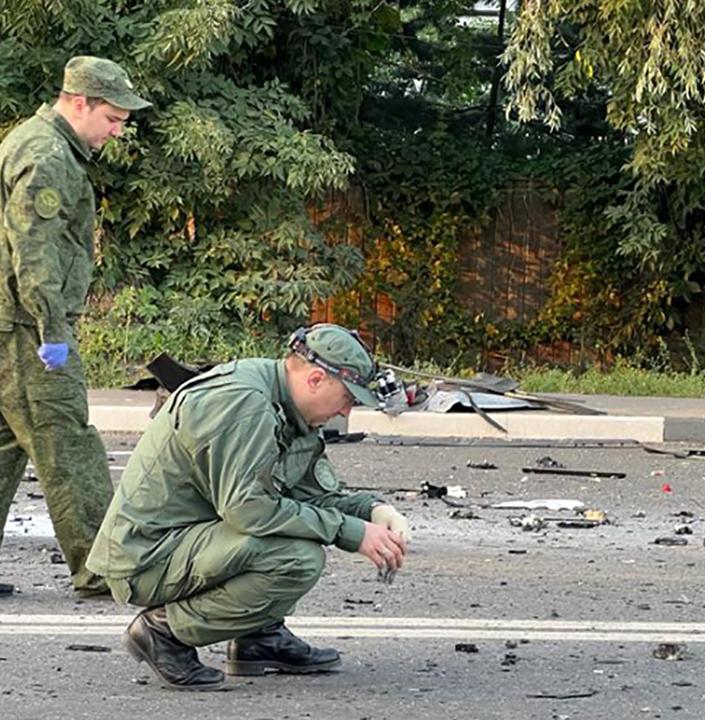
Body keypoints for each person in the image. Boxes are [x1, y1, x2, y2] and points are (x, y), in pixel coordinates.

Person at [86, 324, 413, 690]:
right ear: (316, 379)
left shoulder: (289, 407)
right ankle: (164, 632)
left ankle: (258, 637)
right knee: (295, 558)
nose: (346, 411)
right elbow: (249, 510)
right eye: (348, 397)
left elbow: (309, 495)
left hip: (190, 540)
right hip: (146, 557)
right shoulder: (245, 403)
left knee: (293, 535)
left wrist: (374, 511)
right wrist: (350, 533)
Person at [0, 56, 151, 597]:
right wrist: (52, 331)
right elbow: (34, 252)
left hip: (10, 322)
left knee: (6, 446)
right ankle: (102, 567)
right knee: (68, 442)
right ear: (80, 103)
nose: (116, 131)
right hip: (27, 328)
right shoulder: (47, 156)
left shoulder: (39, 141)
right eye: (112, 118)